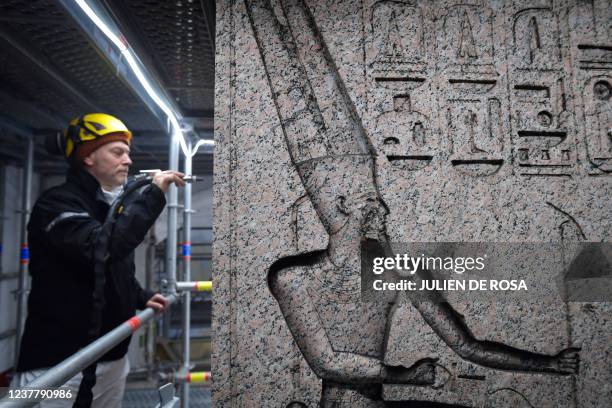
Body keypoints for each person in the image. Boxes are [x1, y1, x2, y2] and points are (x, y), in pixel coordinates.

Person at [11, 113, 185, 407]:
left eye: (127, 153)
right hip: (57, 365)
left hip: (111, 358)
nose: (128, 160)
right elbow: (101, 249)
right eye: (117, 152)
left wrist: (141, 296)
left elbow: (114, 269)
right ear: (88, 157)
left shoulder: (107, 206)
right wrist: (153, 195)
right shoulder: (56, 204)